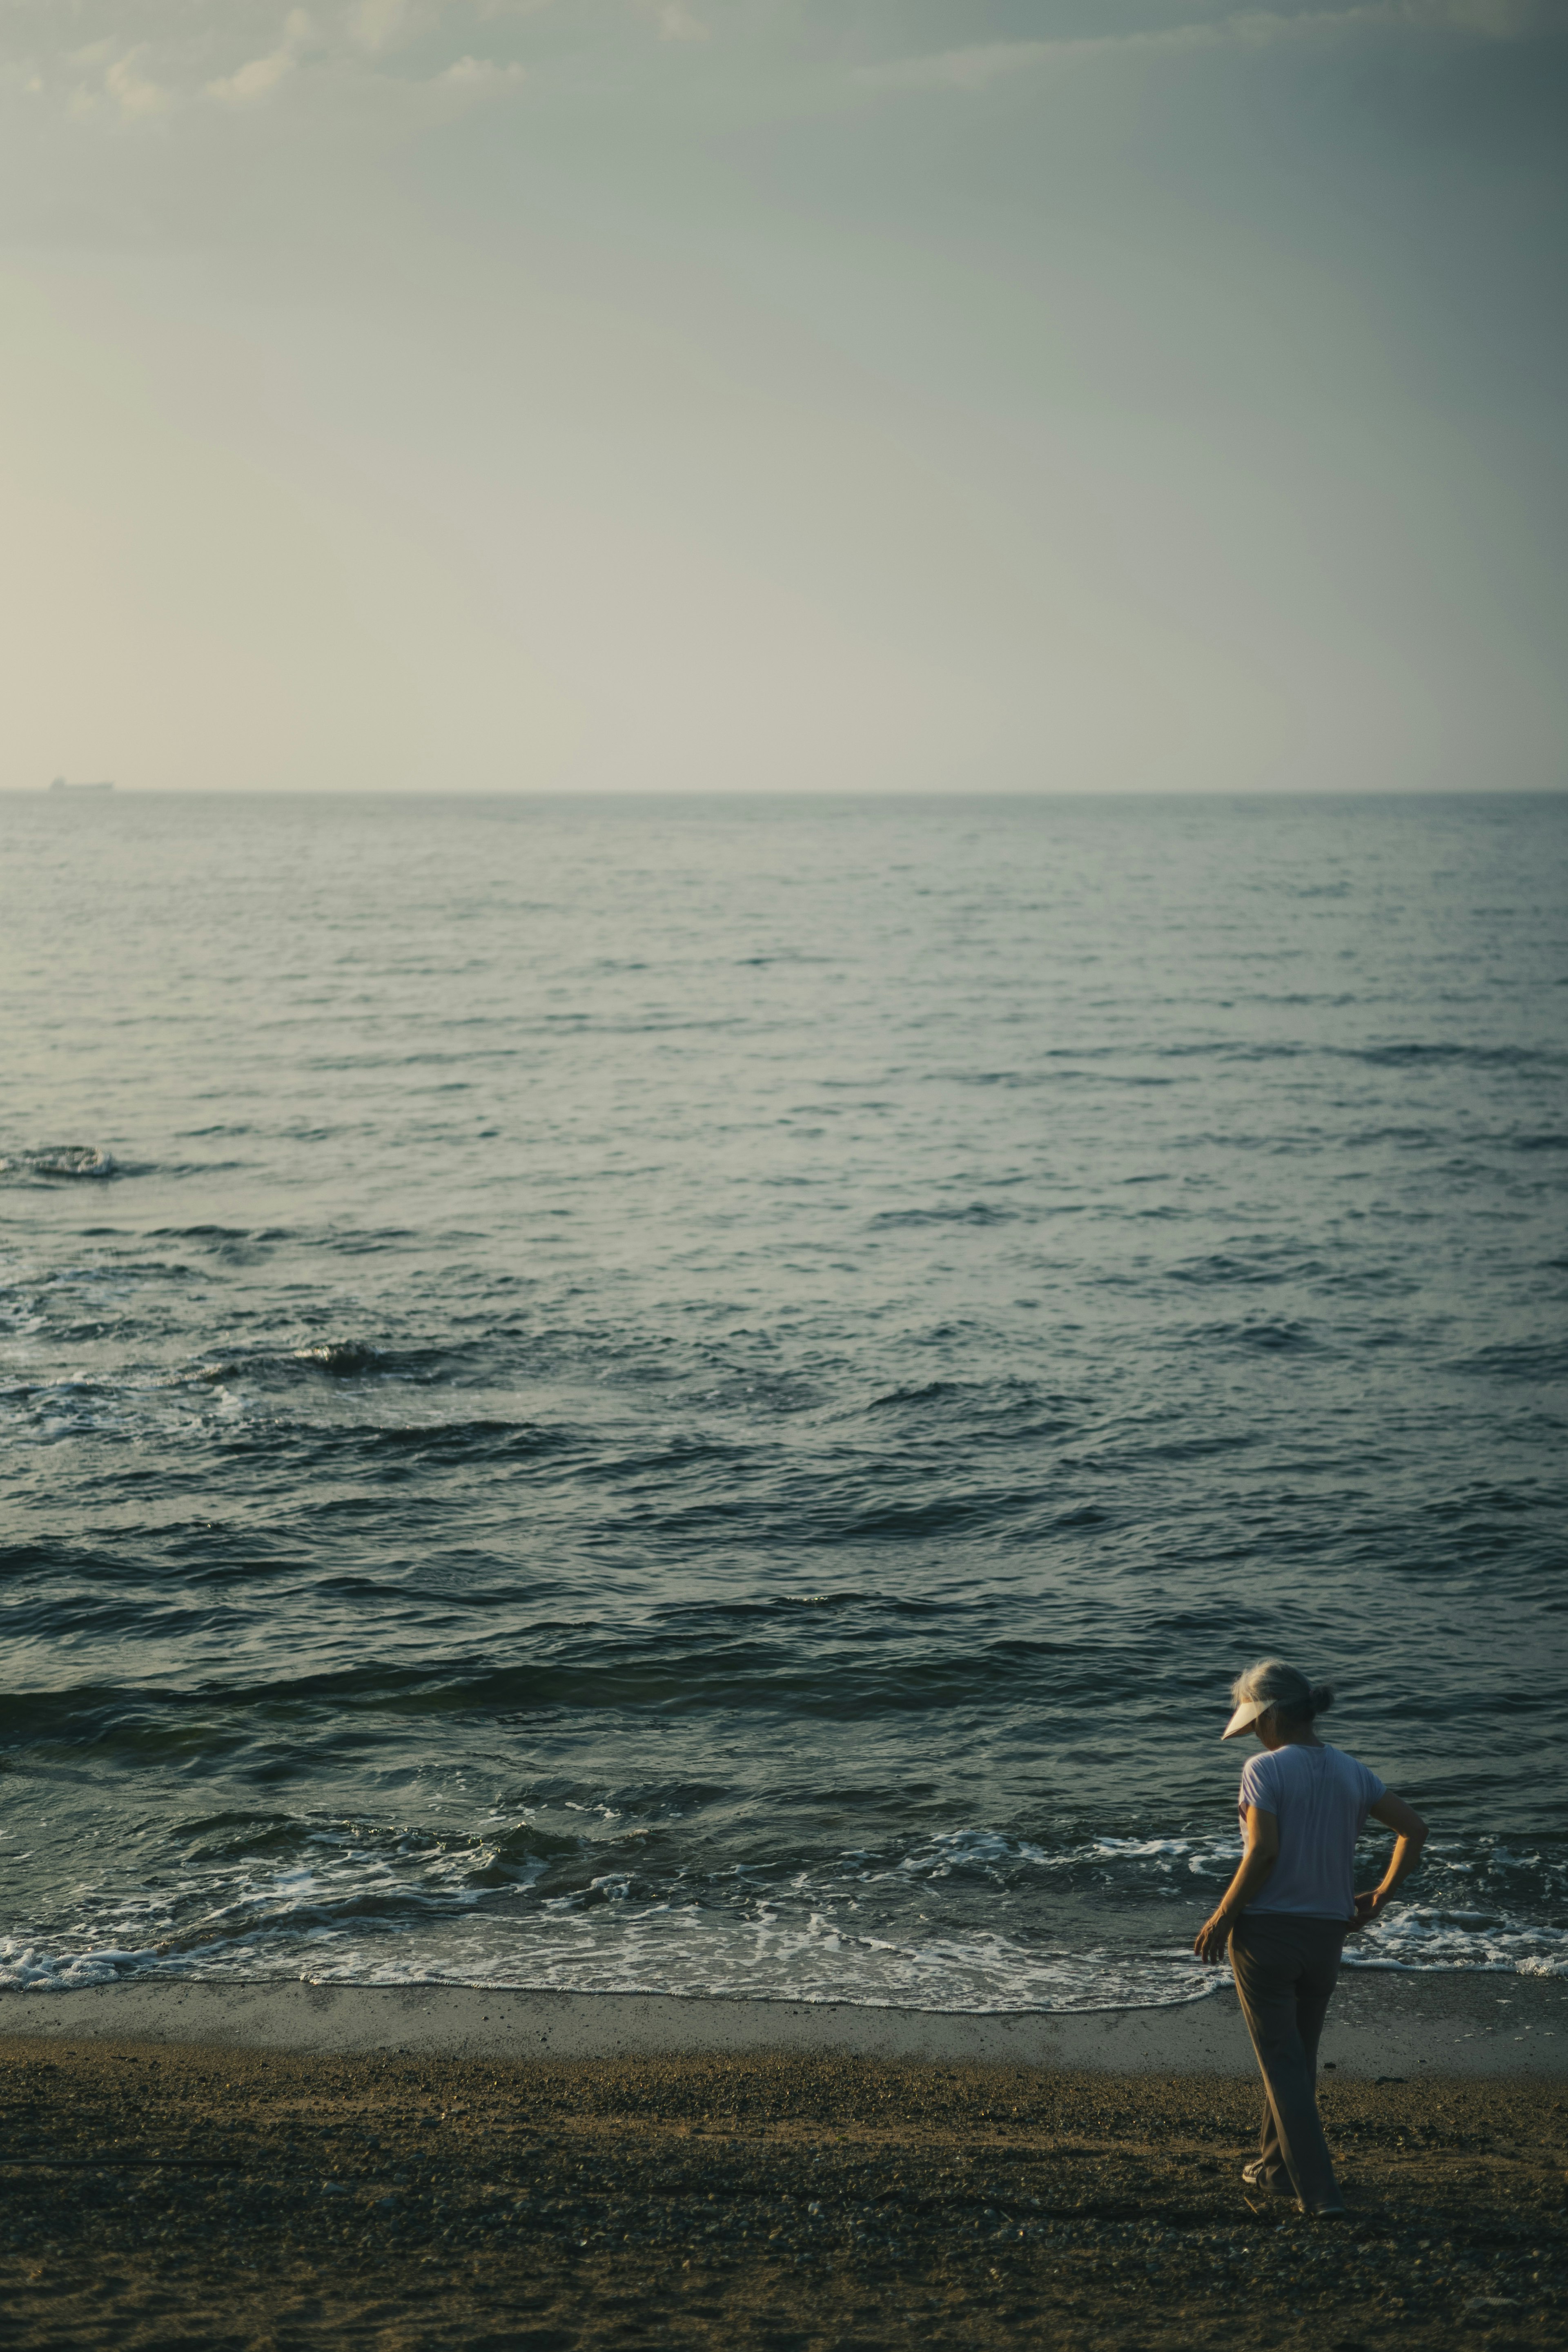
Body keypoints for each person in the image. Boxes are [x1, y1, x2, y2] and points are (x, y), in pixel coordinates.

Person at [1192, 1660, 1428, 2215]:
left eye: (1254, 1724)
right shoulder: (1354, 1773)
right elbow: (1414, 1829)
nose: (1253, 1734)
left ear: (1270, 1716)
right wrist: (1381, 1895)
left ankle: (1320, 2196)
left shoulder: (1264, 1770)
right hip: (1327, 1934)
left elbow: (1264, 1852)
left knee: (1281, 2062)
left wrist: (1223, 1915)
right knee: (1298, 2059)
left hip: (1266, 1932)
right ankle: (1275, 2169)